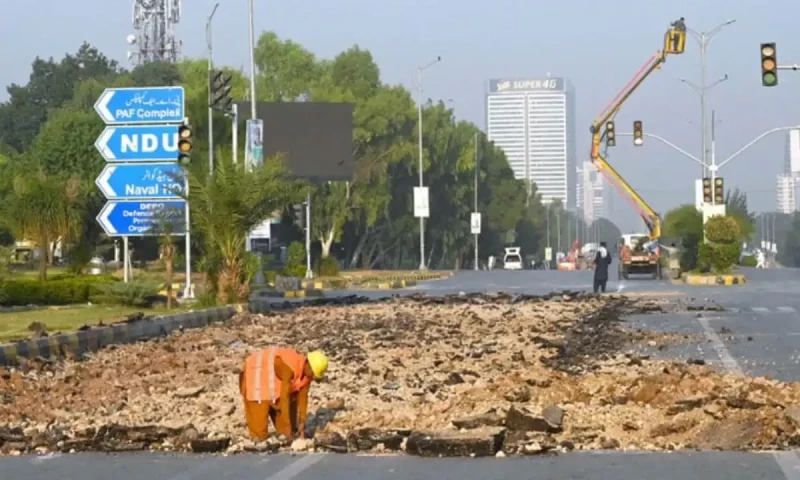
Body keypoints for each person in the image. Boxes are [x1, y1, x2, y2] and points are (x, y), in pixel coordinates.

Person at [239, 347, 329, 441]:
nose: (313, 378)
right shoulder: (289, 367)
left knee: (287, 432)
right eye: (313, 374)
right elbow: (284, 396)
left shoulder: (307, 374)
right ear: (308, 365)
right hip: (256, 375)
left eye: (316, 377)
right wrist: (287, 424)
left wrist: (302, 422)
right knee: (259, 436)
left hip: (274, 386)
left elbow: (303, 397)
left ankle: (285, 430)